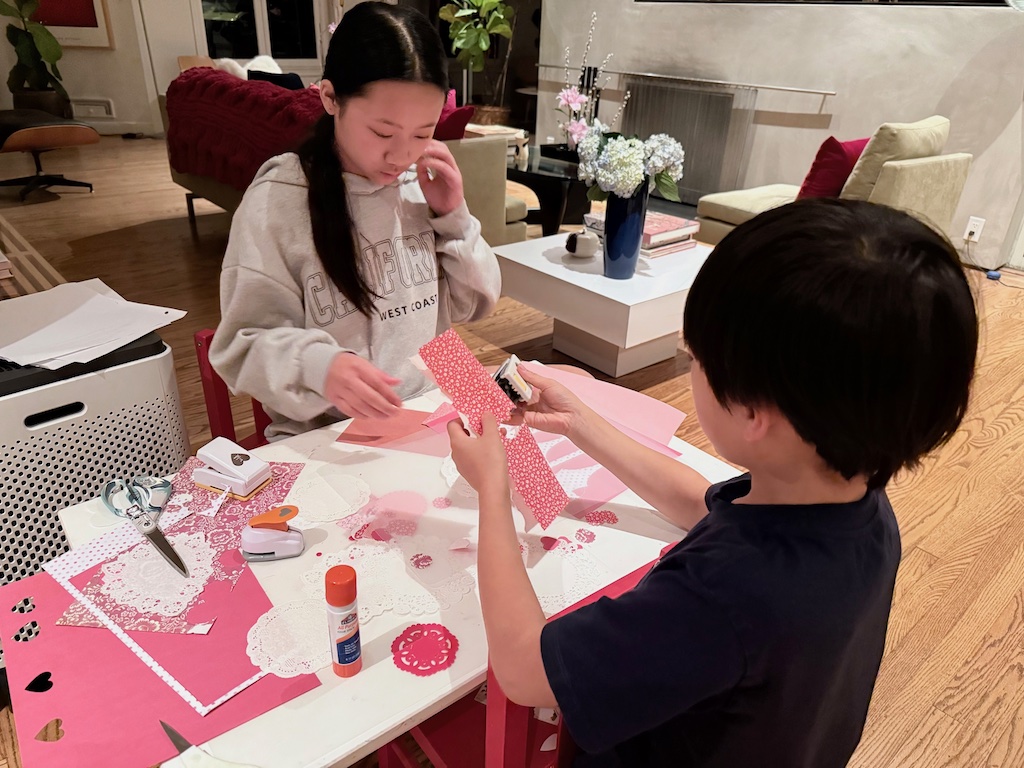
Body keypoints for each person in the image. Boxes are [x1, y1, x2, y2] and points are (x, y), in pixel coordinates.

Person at [448, 198, 978, 767]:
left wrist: (493, 490)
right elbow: (699, 503)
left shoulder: (723, 595)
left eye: (695, 358)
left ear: (753, 411)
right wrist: (582, 423)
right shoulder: (858, 507)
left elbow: (525, 670)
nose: (692, 366)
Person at [210, 2, 501, 441]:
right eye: (383, 133)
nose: (402, 154)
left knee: (545, 488)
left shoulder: (423, 179)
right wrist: (318, 366)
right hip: (335, 427)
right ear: (330, 98)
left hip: (444, 378)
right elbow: (241, 344)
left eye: (423, 132)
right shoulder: (279, 199)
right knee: (429, 509)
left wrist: (454, 216)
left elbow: (477, 305)